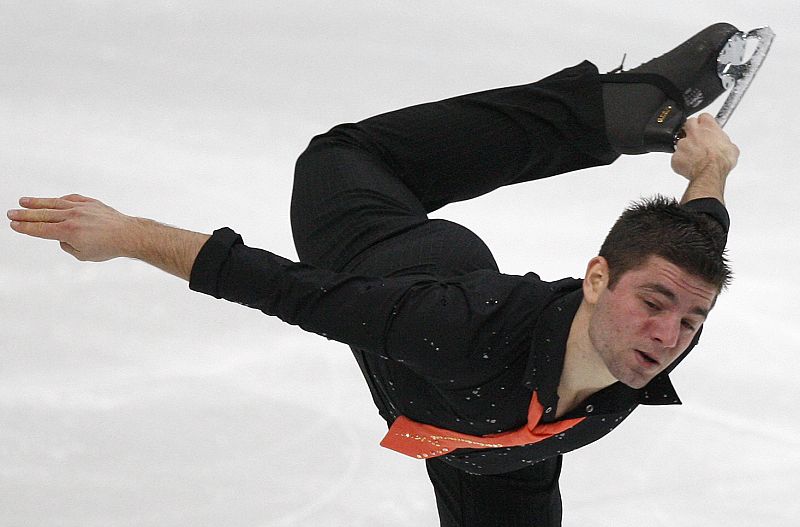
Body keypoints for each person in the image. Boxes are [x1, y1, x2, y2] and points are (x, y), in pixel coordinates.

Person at [8, 22, 742, 527]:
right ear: (594, 278)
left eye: (688, 322)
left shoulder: (662, 329)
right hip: (375, 241)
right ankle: (618, 111)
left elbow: (696, 240)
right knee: (336, 155)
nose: (668, 334)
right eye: (652, 303)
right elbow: (276, 284)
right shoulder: (451, 330)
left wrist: (708, 170)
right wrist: (125, 233)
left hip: (489, 452)